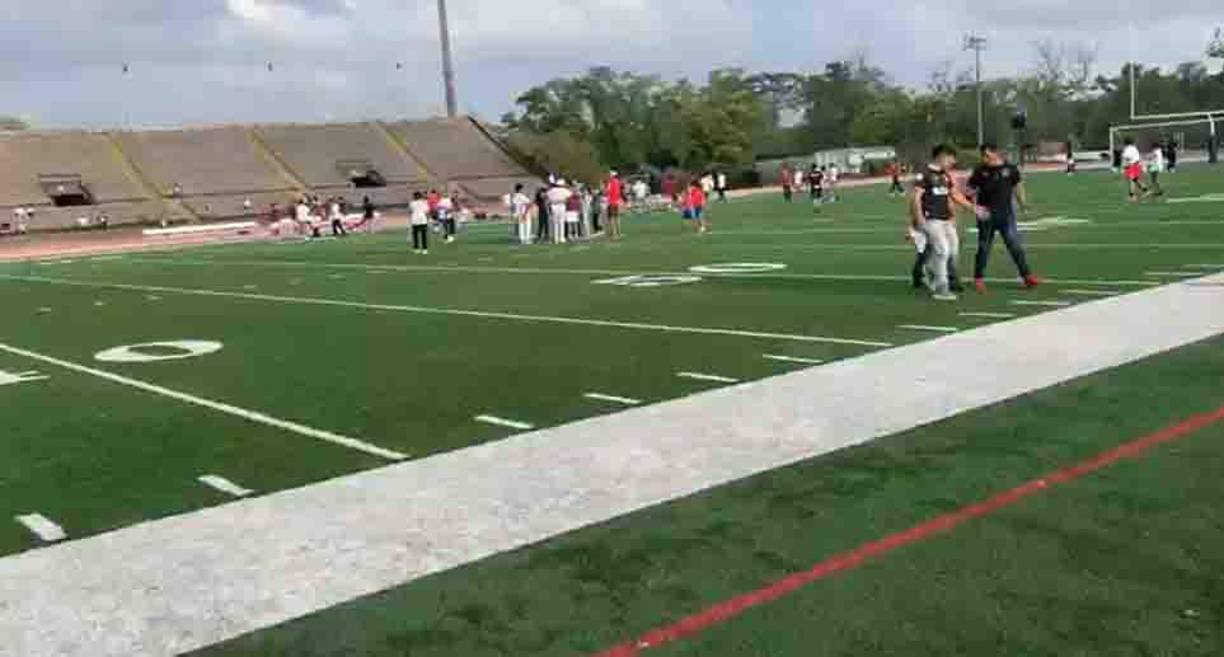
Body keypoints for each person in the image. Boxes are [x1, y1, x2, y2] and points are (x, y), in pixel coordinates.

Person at [968, 143, 1040, 293]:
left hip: (1006, 215)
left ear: (995, 153)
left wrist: (1023, 204)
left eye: (987, 155)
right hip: (986, 216)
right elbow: (970, 189)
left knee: (1015, 246)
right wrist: (975, 207)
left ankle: (1027, 276)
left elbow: (1018, 186)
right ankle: (978, 278)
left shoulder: (1010, 168)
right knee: (984, 248)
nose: (984, 159)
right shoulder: (980, 170)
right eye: (983, 156)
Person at [912, 144, 974, 301]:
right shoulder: (924, 174)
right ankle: (942, 288)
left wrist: (973, 208)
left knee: (953, 251)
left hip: (946, 219)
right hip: (931, 219)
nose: (953, 162)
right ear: (942, 156)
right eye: (951, 158)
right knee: (943, 251)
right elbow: (916, 198)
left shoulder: (945, 175)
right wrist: (919, 218)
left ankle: (930, 269)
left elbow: (954, 194)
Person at [546, 180, 572, 244]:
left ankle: (556, 238)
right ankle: (561, 238)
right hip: (561, 205)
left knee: (555, 222)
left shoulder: (551, 190)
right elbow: (570, 195)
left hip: (553, 205)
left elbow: (547, 195)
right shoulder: (564, 190)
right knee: (561, 222)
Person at [604, 171, 624, 240]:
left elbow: (607, 191)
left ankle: (614, 234)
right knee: (617, 218)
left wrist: (604, 190)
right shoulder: (618, 182)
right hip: (617, 202)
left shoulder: (610, 182)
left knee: (611, 219)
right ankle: (619, 233)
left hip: (611, 202)